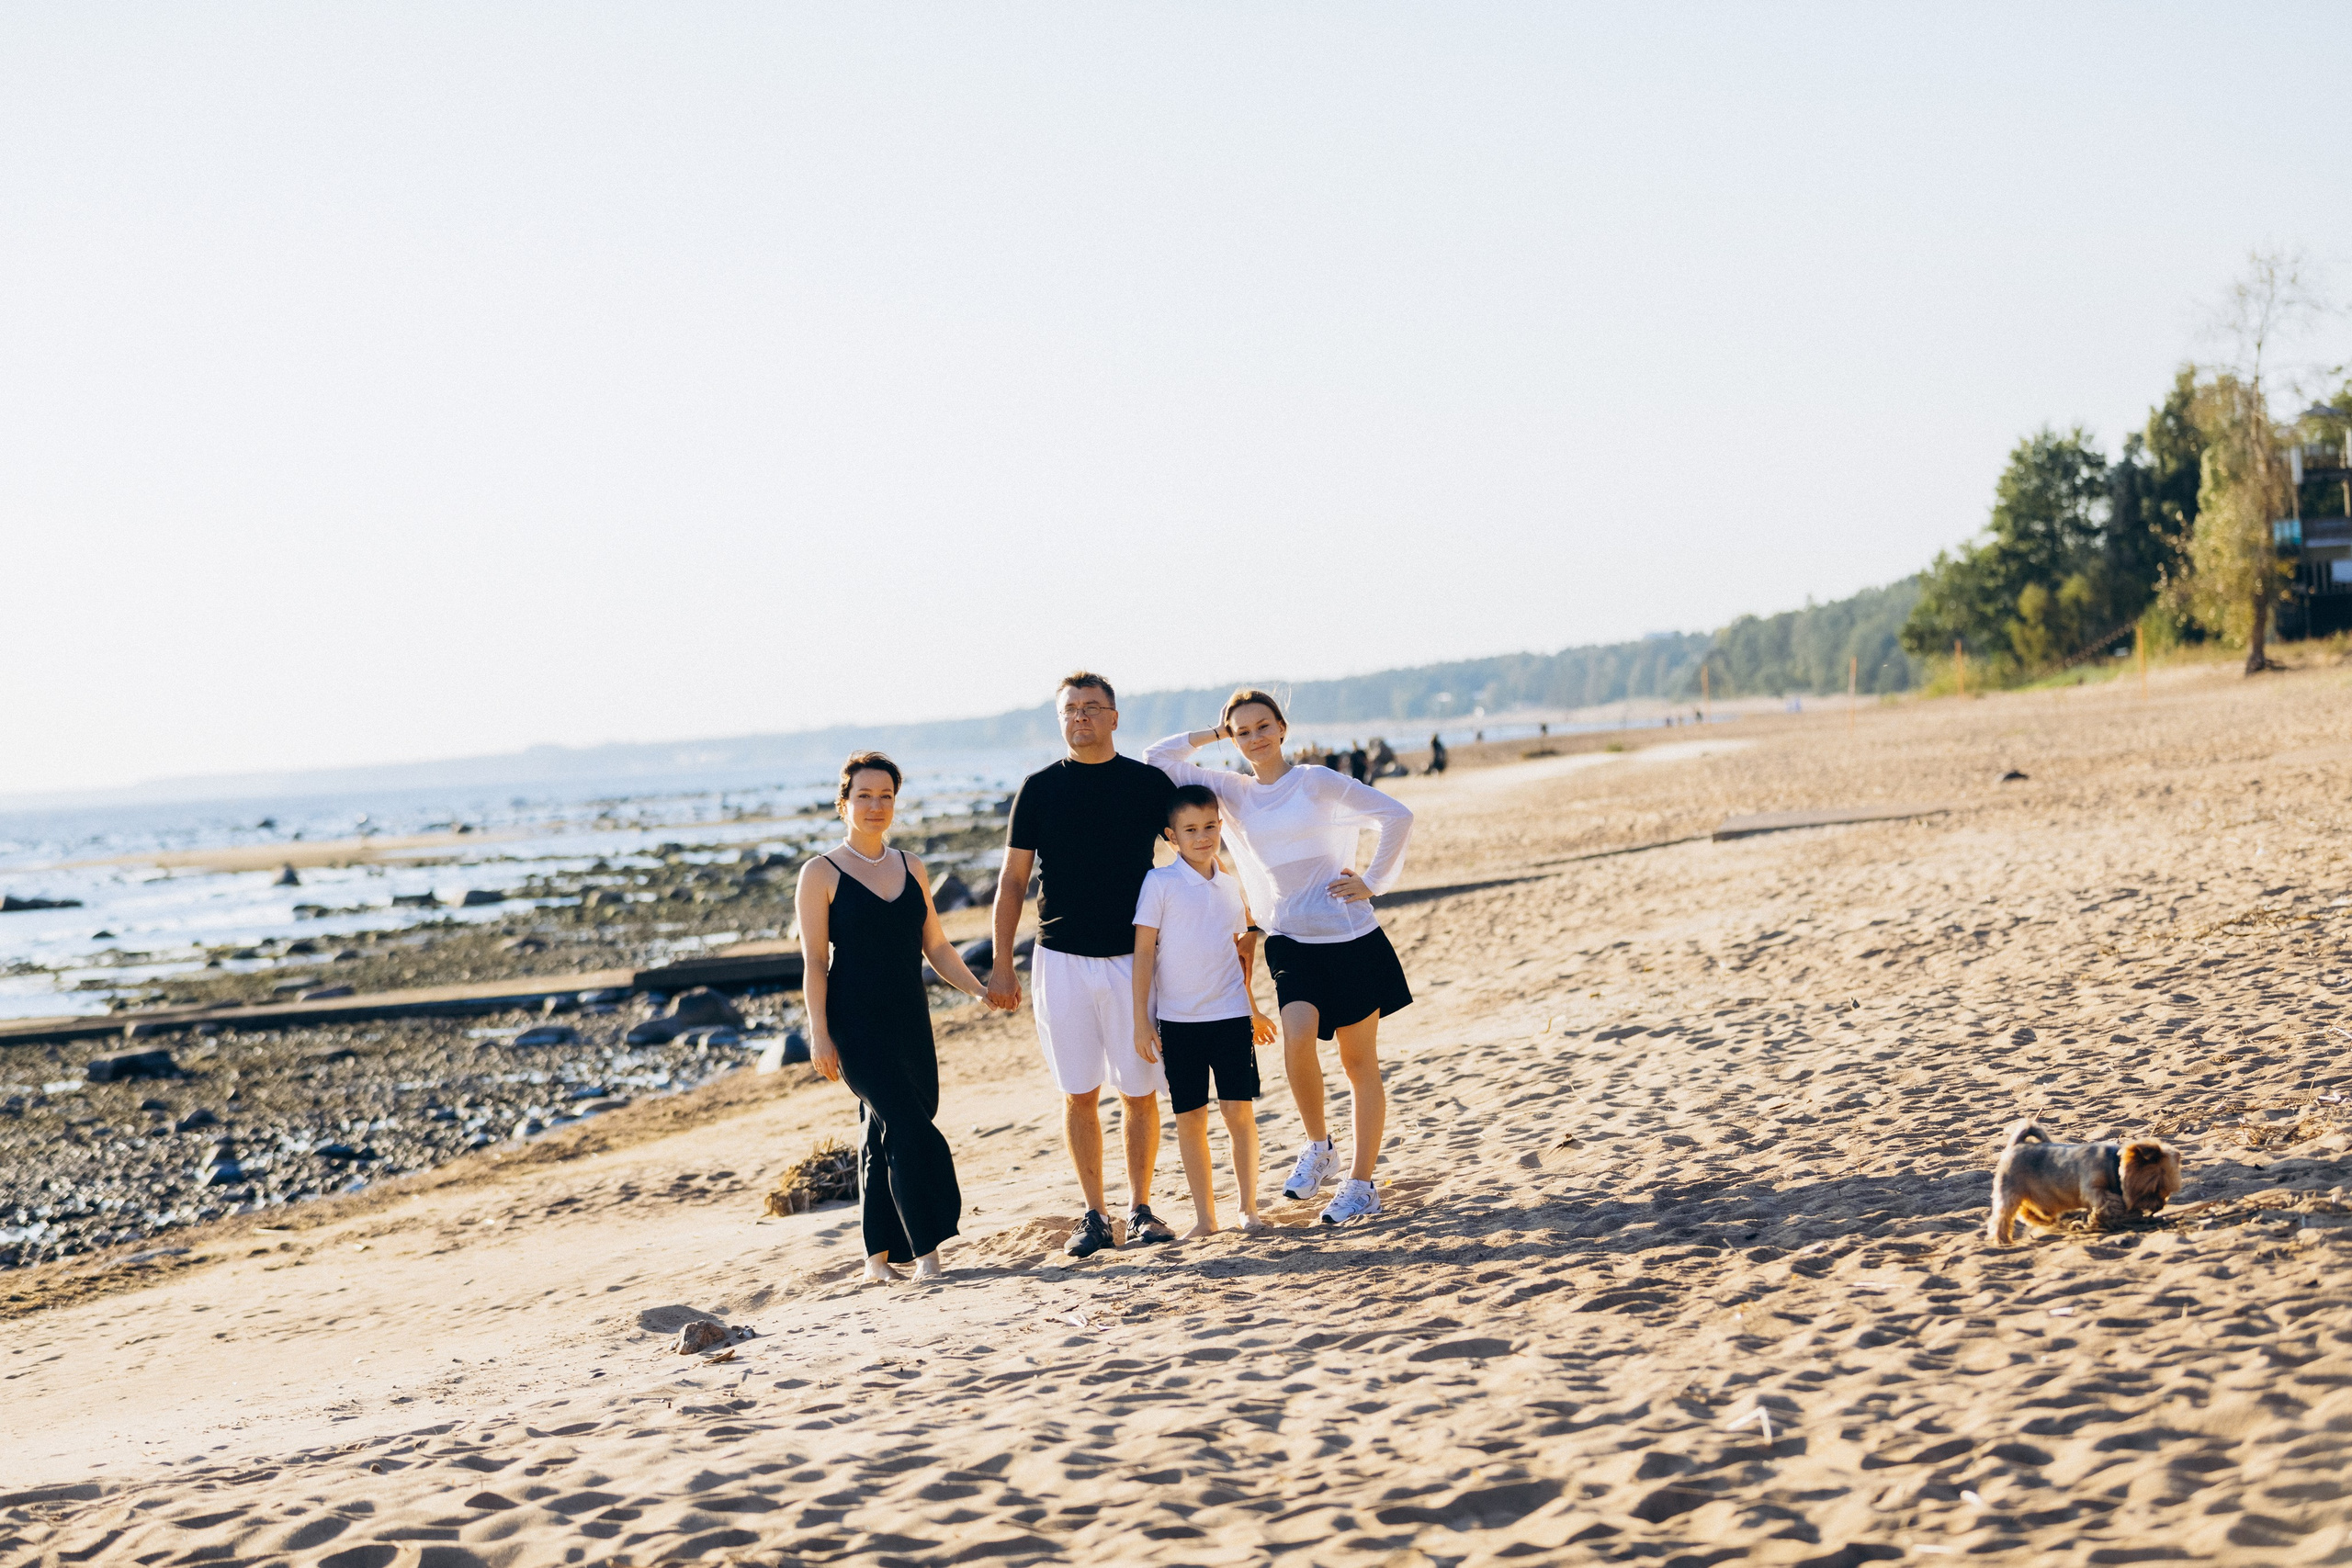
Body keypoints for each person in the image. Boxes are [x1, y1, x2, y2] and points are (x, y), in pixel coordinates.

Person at [1145, 690, 1413, 1224]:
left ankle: (1361, 1183)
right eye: (1243, 731)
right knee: (1296, 1041)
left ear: (1282, 727)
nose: (1255, 738)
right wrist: (1216, 733)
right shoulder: (1234, 792)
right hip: (1290, 938)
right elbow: (1159, 758)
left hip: (1349, 935)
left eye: (1263, 726)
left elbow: (1395, 814)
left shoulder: (1315, 780)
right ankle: (1320, 1147)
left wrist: (1373, 881)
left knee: (1359, 1064)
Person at [986, 672, 1180, 1259]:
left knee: (1140, 1089)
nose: (1081, 718)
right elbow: (1013, 880)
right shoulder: (1039, 789)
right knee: (1078, 1092)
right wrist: (1001, 964)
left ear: (1115, 718)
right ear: (1060, 719)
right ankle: (1094, 1215)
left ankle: (1141, 1208)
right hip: (1060, 961)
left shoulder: (1148, 784)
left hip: (1134, 960)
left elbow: (1193, 855)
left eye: (1093, 708)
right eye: (1071, 709)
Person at [796, 751, 989, 1282]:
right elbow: (814, 962)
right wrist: (819, 1033)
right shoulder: (820, 873)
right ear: (844, 803)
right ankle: (928, 1252)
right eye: (864, 795)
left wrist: (980, 990)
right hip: (853, 1024)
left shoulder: (912, 866)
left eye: (885, 796)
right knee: (909, 1129)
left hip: (910, 1020)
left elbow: (938, 947)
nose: (876, 805)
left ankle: (876, 1258)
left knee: (882, 1131)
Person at [1131, 785, 1277, 1238]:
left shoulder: (1232, 885)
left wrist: (1252, 1008)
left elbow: (1238, 956)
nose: (1202, 837)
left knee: (1239, 1113)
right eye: (1190, 830)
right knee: (1191, 1119)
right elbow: (1143, 955)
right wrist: (1141, 1020)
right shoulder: (1160, 883)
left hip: (1231, 1017)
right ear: (1171, 836)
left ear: (1221, 827)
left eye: (1210, 827)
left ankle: (1248, 1209)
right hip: (1178, 1023)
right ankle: (1205, 1218)